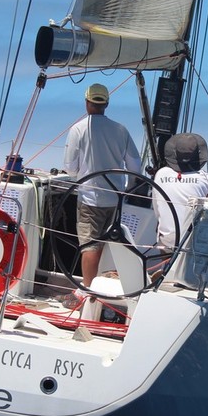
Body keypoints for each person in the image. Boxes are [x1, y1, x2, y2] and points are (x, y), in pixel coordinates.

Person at [63, 83, 142, 292]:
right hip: (114, 200)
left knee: (90, 245)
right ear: (106, 103)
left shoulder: (78, 129)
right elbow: (135, 166)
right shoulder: (120, 130)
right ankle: (105, 286)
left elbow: (70, 169)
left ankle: (88, 290)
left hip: (90, 199)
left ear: (87, 102)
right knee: (109, 243)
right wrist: (127, 189)